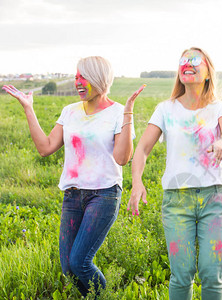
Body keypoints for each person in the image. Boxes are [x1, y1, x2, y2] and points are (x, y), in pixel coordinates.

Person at [2, 56, 145, 297]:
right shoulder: (69, 112)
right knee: (68, 267)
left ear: (99, 79)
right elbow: (45, 148)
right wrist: (28, 108)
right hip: (72, 195)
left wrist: (128, 114)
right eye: (76, 77)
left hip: (104, 194)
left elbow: (122, 158)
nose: (78, 82)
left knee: (80, 262)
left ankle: (104, 296)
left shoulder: (118, 112)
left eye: (83, 77)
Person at [128, 47, 222, 299]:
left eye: (194, 60)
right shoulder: (166, 109)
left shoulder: (220, 107)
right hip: (177, 201)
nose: (187, 64)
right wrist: (137, 182)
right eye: (183, 61)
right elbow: (143, 149)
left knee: (213, 274)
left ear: (208, 72)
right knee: (181, 274)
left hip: (214, 199)